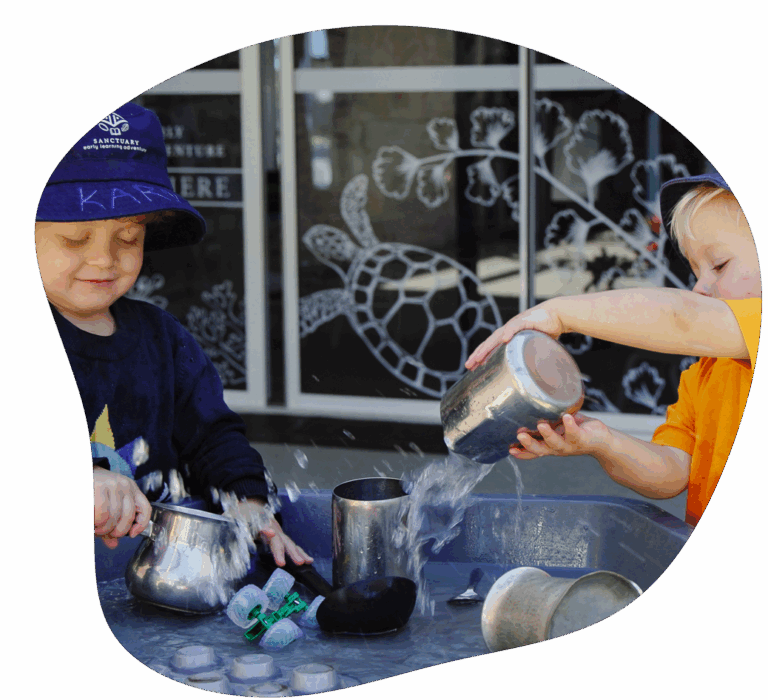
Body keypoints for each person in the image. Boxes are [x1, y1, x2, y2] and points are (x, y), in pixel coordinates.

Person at [35, 101, 312, 565]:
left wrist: (249, 505)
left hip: (154, 579)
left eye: (128, 238)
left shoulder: (162, 339)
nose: (105, 260)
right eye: (75, 239)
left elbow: (212, 438)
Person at [465, 171, 760, 527]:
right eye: (695, 271)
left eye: (719, 265)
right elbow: (673, 472)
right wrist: (602, 443)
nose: (699, 287)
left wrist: (558, 313)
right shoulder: (706, 372)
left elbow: (683, 317)